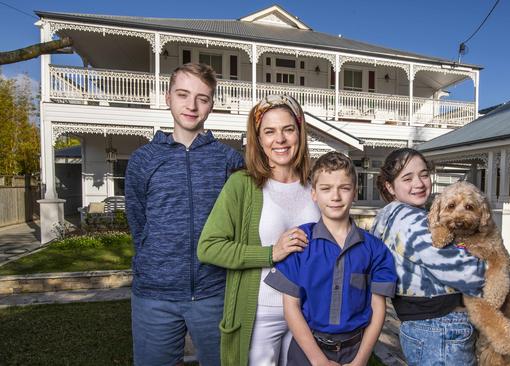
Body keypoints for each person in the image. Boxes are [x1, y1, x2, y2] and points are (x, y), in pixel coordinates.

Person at [125, 63, 244, 366]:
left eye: (202, 98)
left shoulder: (229, 160)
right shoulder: (143, 160)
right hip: (155, 296)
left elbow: (241, 222)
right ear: (168, 97)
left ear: (211, 105)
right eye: (183, 94)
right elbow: (137, 221)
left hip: (214, 292)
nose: (191, 105)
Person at [197, 94, 320, 366]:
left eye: (288, 129)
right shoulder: (242, 184)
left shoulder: (315, 185)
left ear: (300, 132)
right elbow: (209, 247)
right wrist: (270, 253)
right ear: (258, 138)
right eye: (270, 131)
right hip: (261, 312)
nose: (280, 139)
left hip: (308, 312)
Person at [265, 151, 397, 366]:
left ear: (355, 191)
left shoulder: (375, 249)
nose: (335, 197)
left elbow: (378, 308)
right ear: (314, 194)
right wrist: (319, 361)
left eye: (344, 188)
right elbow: (291, 307)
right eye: (326, 189)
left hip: (355, 350)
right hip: (307, 350)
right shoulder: (300, 242)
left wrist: (361, 361)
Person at [370, 148, 486, 366]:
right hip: (441, 328)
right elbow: (469, 273)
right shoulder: (414, 222)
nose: (419, 183)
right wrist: (487, 263)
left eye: (424, 174)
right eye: (407, 178)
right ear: (389, 186)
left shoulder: (386, 215)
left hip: (419, 326)